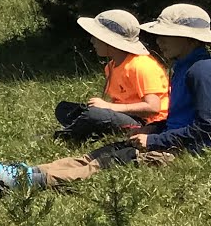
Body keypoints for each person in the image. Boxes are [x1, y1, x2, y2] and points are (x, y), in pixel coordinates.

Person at [0, 2, 211, 191]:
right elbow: (181, 118)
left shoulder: (203, 71)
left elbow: (208, 128)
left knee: (110, 161)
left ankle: (29, 182)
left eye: (167, 35)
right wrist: (154, 129)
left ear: (191, 40)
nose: (159, 40)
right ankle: (27, 172)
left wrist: (156, 139)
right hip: (177, 138)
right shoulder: (184, 67)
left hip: (196, 148)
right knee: (99, 154)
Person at [52, 9, 169, 142]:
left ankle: (68, 135)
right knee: (63, 109)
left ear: (110, 41)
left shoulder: (141, 65)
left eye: (96, 37)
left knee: (94, 114)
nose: (92, 41)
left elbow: (153, 108)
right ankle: (86, 129)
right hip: (123, 115)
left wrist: (109, 107)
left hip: (146, 122)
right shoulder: (110, 67)